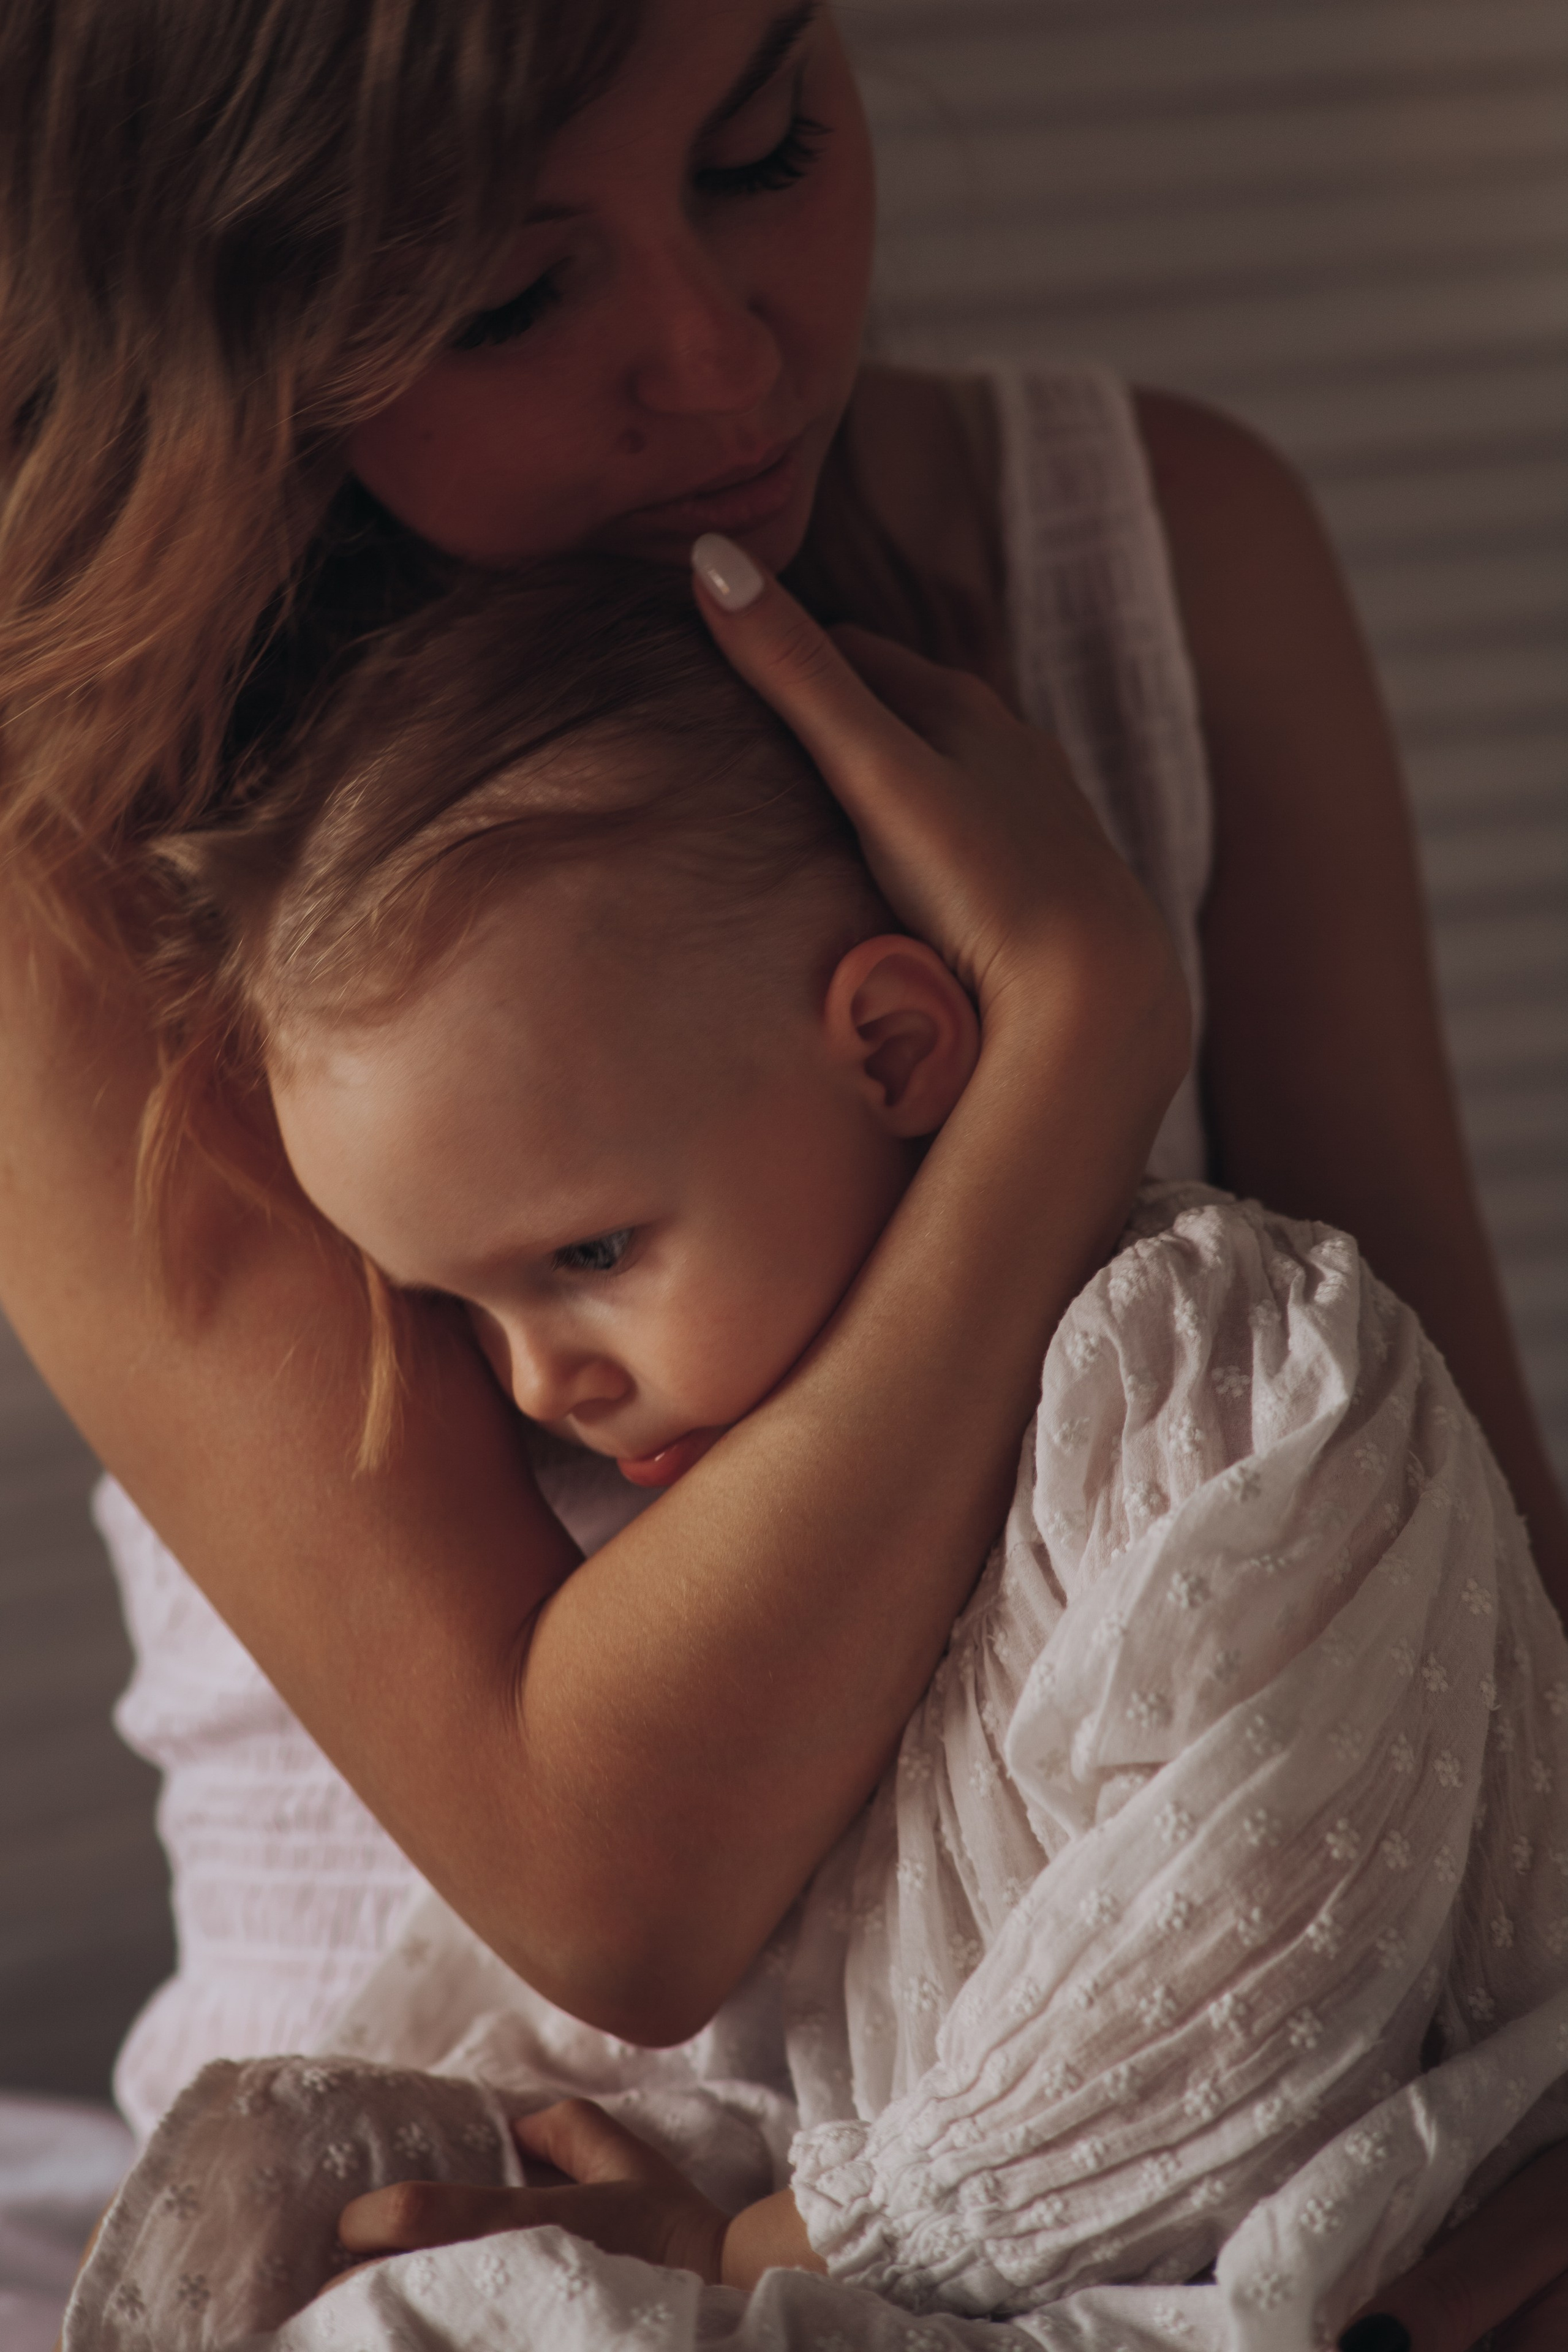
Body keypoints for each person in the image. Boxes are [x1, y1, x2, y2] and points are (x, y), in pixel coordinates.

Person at [1, 1, 1562, 2342]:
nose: (721, 357)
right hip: (442, 2210)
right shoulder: (71, 850)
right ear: (247, 325)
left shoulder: (1166, 557)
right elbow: (612, 1894)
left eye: (765, 149)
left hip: (1171, 2125)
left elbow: (1487, 1620)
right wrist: (1062, 1055)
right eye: (513, 297)